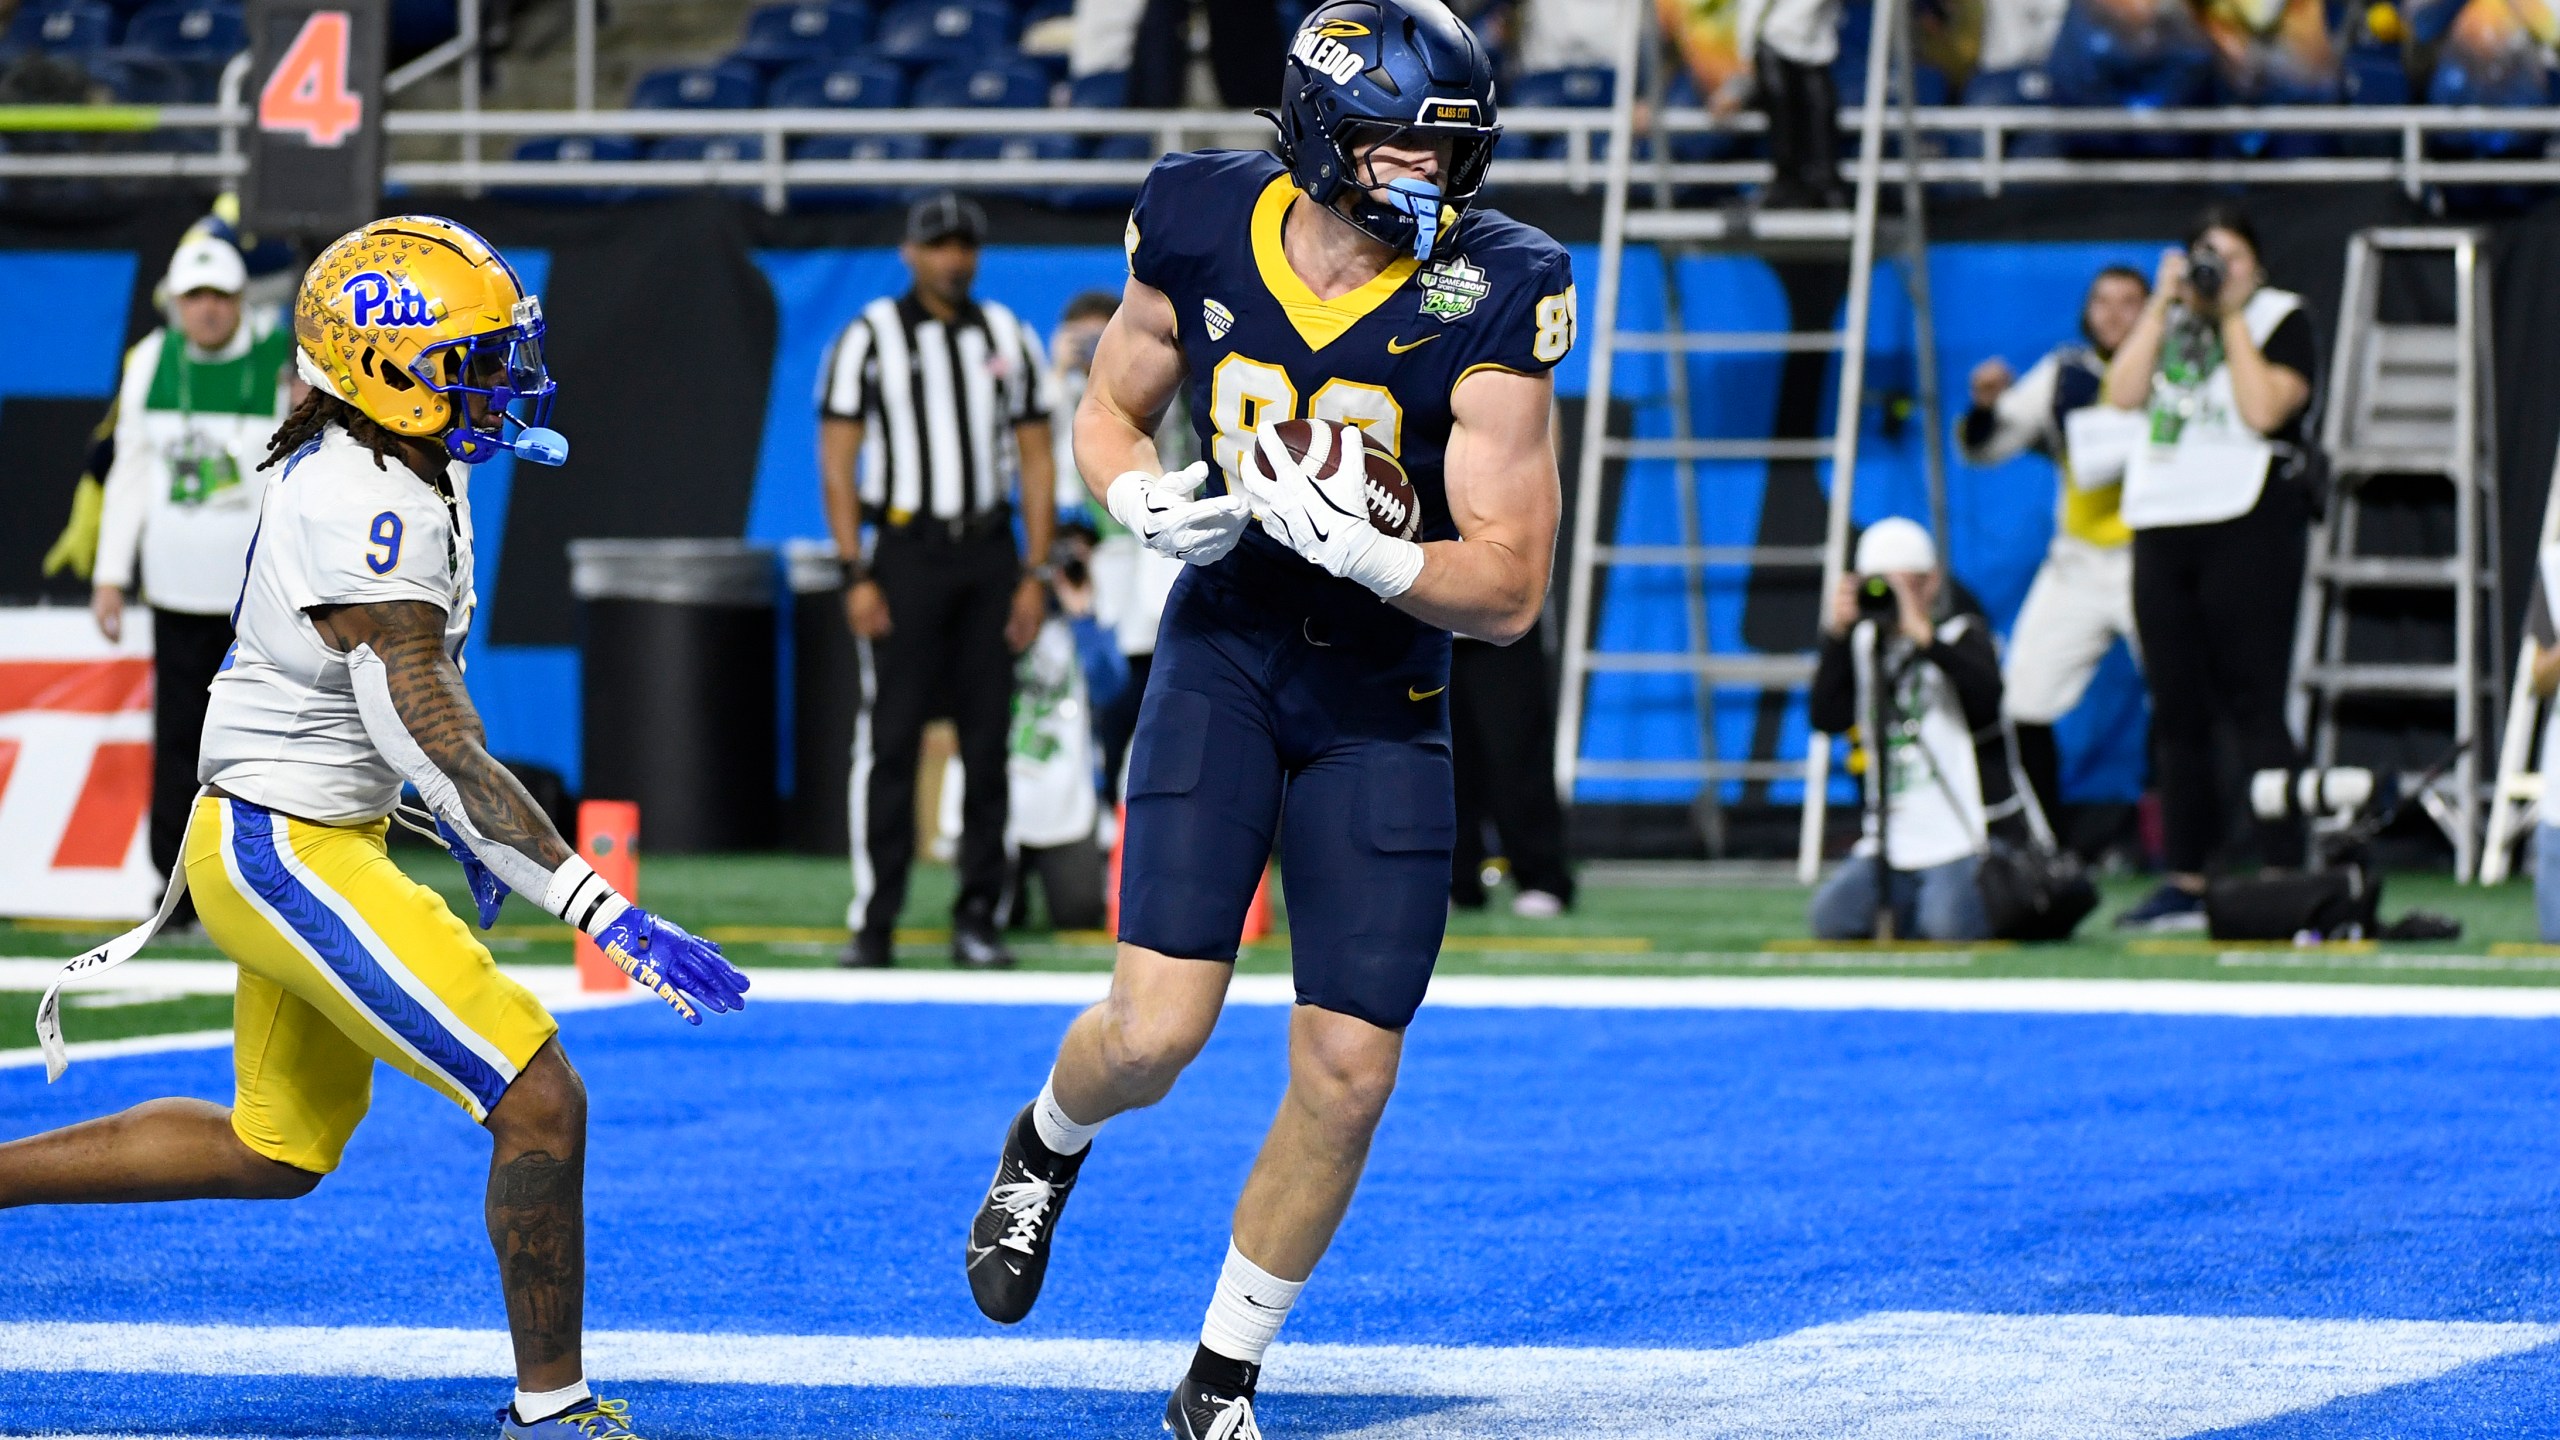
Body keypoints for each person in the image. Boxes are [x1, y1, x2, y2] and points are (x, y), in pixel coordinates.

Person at [5, 215, 748, 1440]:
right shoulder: (366, 503)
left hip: (298, 829)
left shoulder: (396, 460)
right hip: (283, 847)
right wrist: (601, 910)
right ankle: (551, 1410)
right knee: (539, 1097)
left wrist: (459, 826)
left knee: (272, 1149)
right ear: (387, 369)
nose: (503, 378)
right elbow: (438, 741)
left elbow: (398, 731)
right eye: (473, 355)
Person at [960, 4, 1574, 1434]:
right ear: (1314, 135)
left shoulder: (1498, 282)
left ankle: (1221, 1378)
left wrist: (1370, 551)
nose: (1437, 181)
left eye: (1454, 151)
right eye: (1403, 149)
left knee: (1352, 1073)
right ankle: (1044, 1147)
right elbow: (1110, 407)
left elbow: (1511, 590)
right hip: (1227, 658)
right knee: (1157, 1032)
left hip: (1381, 691)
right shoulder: (1195, 213)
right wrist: (1126, 495)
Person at [816, 191, 1059, 971]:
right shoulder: (869, 339)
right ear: (910, 253)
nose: (954, 259)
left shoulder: (1006, 336)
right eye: (939, 245)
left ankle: (977, 919)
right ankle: (875, 922)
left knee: (989, 744)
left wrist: (1034, 571)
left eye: (965, 245)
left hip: (988, 553)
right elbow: (837, 460)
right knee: (891, 741)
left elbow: (1036, 459)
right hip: (906, 552)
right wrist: (855, 567)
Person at [2104, 205, 2320, 930]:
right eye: (2205, 255)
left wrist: (2228, 314)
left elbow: (2266, 411)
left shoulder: (2279, 317)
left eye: (2230, 257)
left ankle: (2284, 866)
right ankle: (2187, 875)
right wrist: (2163, 304)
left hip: (2245, 517)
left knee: (2255, 702)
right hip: (2163, 517)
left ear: (2255, 266)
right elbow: (2121, 396)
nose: (2214, 270)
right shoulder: (2170, 317)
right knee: (2176, 711)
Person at [91, 232, 296, 927]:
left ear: (242, 300)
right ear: (175, 304)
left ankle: (258, 884)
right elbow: (128, 474)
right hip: (176, 588)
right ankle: (173, 892)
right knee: (179, 737)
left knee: (258, 744)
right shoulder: (151, 359)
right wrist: (110, 574)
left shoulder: (278, 358)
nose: (207, 311)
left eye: (220, 297)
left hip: (256, 593)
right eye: (194, 298)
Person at [1959, 263, 2149, 828]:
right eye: (2102, 302)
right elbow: (1986, 448)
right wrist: (1986, 406)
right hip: (2081, 561)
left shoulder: (2177, 372)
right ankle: (2042, 846)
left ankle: (2182, 853)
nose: (2114, 315)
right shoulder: (2067, 373)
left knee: (2184, 703)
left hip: (2156, 562)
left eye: (2129, 302)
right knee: (2023, 698)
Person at [1807, 518, 2002, 941]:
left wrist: (1925, 639)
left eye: (1904, 584)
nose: (1888, 597)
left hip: (1961, 838)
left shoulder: (1960, 635)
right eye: (1878, 585)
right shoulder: (1861, 646)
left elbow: (1987, 703)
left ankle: (1943, 905)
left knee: (1948, 928)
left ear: (1931, 583)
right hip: (1888, 844)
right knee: (1832, 920)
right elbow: (1826, 718)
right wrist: (1837, 638)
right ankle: (1913, 904)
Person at [1053, 288, 1188, 797]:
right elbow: (1053, 469)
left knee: (1153, 670)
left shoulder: (1153, 379)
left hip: (1152, 553)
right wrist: (1058, 378)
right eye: (1081, 338)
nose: (1090, 348)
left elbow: (1165, 435)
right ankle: (1101, 797)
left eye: (1099, 336)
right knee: (1098, 682)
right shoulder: (1055, 395)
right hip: (1096, 560)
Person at [1448, 626, 1577, 916]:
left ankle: (1541, 876)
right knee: (1442, 754)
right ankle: (1453, 879)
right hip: (1420, 615)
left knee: (1514, 750)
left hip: (1500, 614)